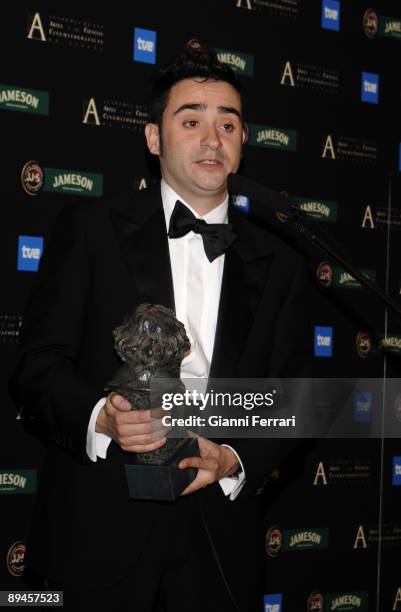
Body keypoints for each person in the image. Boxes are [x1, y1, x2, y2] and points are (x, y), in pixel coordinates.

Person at [10, 40, 311, 611]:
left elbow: (294, 395)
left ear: (243, 143)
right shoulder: (89, 229)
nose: (211, 138)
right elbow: (37, 367)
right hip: (97, 535)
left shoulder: (284, 264)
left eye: (228, 123)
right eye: (190, 119)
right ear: (153, 138)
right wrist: (103, 418)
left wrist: (235, 459)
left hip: (220, 547)